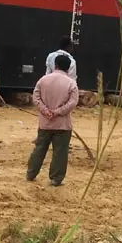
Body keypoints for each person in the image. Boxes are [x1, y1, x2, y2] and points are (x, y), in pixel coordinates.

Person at [27, 54, 80, 186]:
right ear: (68, 68)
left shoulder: (43, 80)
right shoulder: (71, 83)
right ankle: (56, 178)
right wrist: (57, 112)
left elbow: (36, 97)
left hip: (45, 123)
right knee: (60, 152)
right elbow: (73, 103)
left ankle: (31, 173)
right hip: (62, 125)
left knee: (39, 148)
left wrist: (45, 110)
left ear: (55, 65)